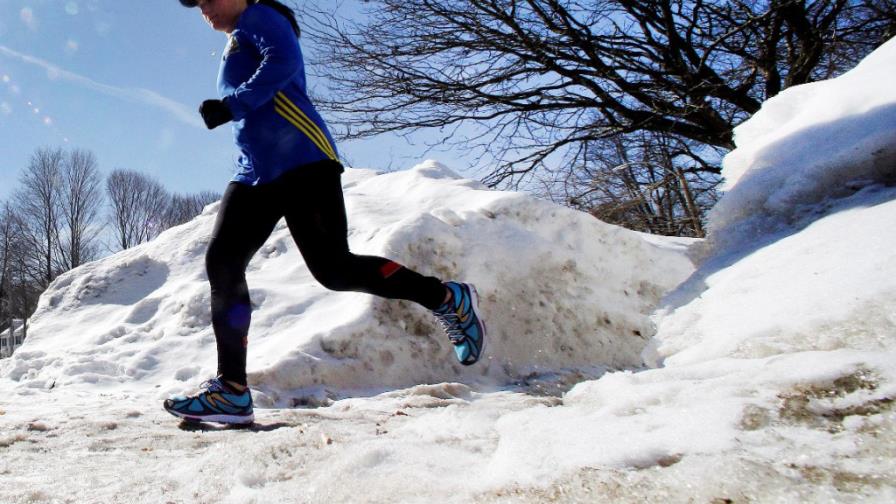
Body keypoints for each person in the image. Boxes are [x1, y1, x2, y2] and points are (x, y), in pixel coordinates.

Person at [164, 0, 486, 425]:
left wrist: (232, 105)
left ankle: (447, 298)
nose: (204, 8)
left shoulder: (260, 16)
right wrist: (235, 110)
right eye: (197, 3)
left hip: (302, 162)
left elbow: (283, 60)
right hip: (257, 172)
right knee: (222, 262)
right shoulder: (238, 37)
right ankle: (232, 389)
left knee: (334, 270)